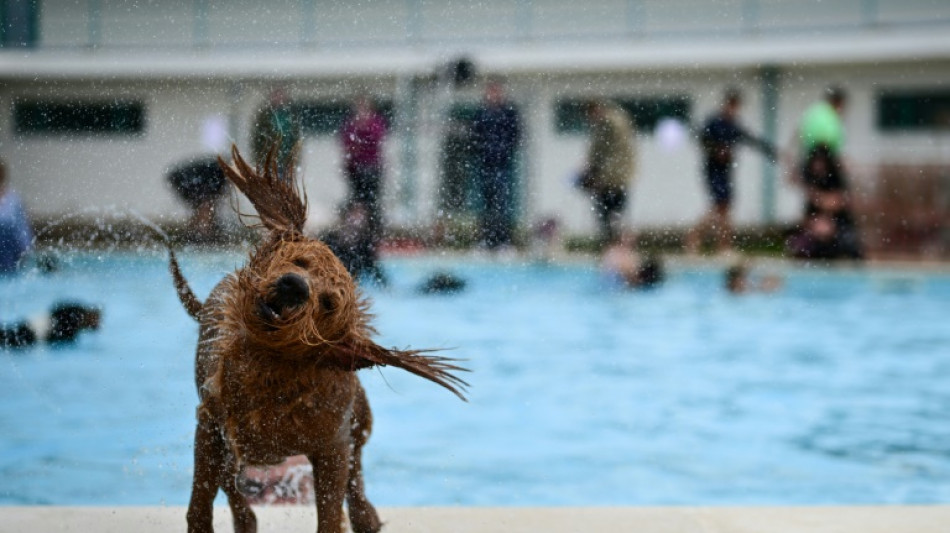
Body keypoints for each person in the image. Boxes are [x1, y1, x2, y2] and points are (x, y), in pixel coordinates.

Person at [685, 89, 775, 254]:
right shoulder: (714, 122)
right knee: (719, 206)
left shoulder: (734, 125)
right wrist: (716, 150)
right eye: (731, 105)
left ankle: (720, 245)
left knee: (724, 208)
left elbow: (750, 139)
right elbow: (702, 140)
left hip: (726, 171)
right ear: (726, 104)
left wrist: (771, 151)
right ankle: (697, 237)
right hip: (713, 170)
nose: (733, 109)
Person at [576, 99, 636, 246]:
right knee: (613, 216)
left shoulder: (610, 124)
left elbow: (607, 154)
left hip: (613, 179)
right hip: (614, 178)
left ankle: (613, 245)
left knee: (611, 216)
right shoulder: (612, 122)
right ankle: (613, 244)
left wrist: (596, 175)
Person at [471, 79, 521, 250]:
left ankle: (503, 240)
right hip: (486, 164)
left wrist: (503, 151)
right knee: (487, 204)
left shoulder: (508, 113)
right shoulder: (481, 113)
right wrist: (483, 151)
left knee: (502, 204)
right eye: (491, 92)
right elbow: (474, 136)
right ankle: (486, 240)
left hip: (502, 164)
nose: (493, 96)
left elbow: (515, 135)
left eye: (496, 92)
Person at [340, 96, 388, 242]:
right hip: (356, 169)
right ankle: (356, 233)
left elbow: (374, 140)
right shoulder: (351, 124)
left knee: (371, 202)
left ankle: (373, 233)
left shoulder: (375, 123)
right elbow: (347, 142)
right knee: (356, 201)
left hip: (371, 169)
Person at [320, 201, 387, 286]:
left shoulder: (364, 249)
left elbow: (378, 279)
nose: (356, 220)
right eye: (354, 214)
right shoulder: (327, 241)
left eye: (361, 216)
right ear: (344, 217)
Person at [166, 155, 228, 244]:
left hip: (183, 179)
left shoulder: (216, 174)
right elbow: (208, 202)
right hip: (187, 180)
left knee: (203, 206)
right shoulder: (217, 175)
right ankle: (202, 232)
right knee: (205, 206)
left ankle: (199, 232)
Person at [0, 301, 101, 349]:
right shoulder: (77, 315)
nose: (97, 324)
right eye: (96, 320)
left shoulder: (76, 313)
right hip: (36, 331)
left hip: (36, 323)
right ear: (91, 314)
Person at [251, 87, 299, 180]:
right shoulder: (264, 115)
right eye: (276, 95)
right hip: (269, 162)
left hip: (287, 161)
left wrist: (295, 161)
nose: (279, 98)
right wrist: (258, 160)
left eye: (281, 95)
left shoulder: (291, 114)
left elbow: (296, 139)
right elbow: (257, 140)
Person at [600, 231, 664, 289]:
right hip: (617, 280)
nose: (630, 241)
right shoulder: (614, 252)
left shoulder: (632, 254)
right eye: (627, 239)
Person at [0, 159, 33, 273]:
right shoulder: (14, 201)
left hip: (11, 259)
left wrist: (25, 251)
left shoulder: (14, 200)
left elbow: (23, 232)